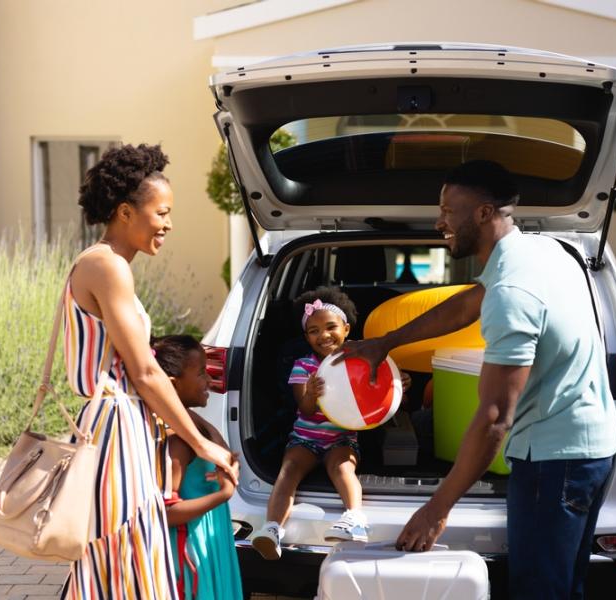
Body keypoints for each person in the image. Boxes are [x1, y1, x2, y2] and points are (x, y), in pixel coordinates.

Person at [340, 160, 616, 600]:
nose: (439, 223)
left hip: (556, 463)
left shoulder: (512, 294)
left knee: (540, 592)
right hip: (592, 448)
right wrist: (386, 342)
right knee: (565, 586)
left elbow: (494, 418)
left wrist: (437, 507)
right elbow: (466, 304)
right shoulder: (543, 252)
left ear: (484, 213)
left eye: (448, 211)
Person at [62, 143, 238, 600]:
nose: (169, 224)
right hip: (115, 427)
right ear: (125, 211)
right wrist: (201, 444)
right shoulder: (106, 265)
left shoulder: (109, 265)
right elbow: (144, 371)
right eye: (161, 212)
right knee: (126, 556)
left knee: (122, 559)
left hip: (124, 425)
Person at [250, 287, 410, 560]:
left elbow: (377, 400)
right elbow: (306, 409)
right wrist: (310, 392)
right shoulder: (303, 366)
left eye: (330, 327)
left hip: (341, 438)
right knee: (288, 470)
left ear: (347, 329)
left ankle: (355, 518)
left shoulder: (362, 360)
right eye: (313, 331)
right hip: (305, 437)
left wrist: (397, 386)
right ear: (306, 337)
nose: (323, 335)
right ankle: (273, 528)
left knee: (342, 468)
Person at [151, 334, 243, 600]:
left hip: (209, 545)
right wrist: (222, 496)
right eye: (202, 373)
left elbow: (223, 451)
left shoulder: (192, 430)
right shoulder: (179, 442)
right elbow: (165, 513)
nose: (210, 381)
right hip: (190, 554)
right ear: (172, 384)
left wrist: (180, 411)